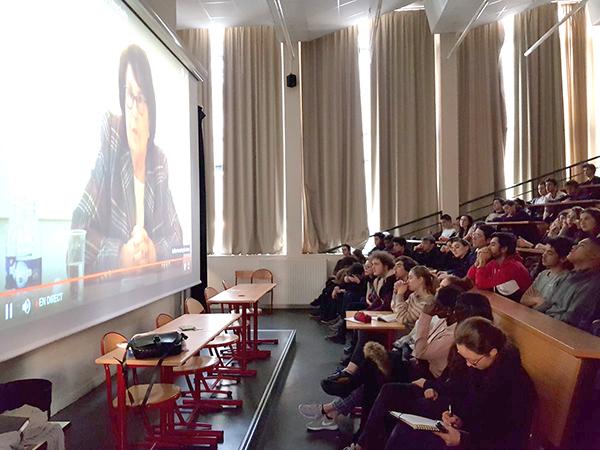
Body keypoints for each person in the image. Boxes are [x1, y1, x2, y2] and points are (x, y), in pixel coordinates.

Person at [72, 44, 183, 274]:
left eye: (140, 97)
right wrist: (121, 255)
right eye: (128, 96)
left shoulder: (158, 164)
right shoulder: (112, 147)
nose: (133, 110)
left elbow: (178, 242)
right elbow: (77, 241)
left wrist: (152, 251)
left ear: (151, 113)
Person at [347, 316, 535, 450]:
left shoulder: (517, 386)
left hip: (479, 443)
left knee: (415, 437)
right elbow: (471, 406)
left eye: (473, 361)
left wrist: (462, 439)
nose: (468, 366)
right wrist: (456, 418)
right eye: (464, 359)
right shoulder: (479, 368)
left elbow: (509, 441)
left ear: (493, 353)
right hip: (468, 434)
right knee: (404, 429)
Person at [322, 266, 436, 395]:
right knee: (364, 332)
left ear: (420, 280)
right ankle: (350, 372)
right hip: (401, 329)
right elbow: (395, 308)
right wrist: (396, 292)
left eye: (410, 278)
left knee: (367, 335)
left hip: (406, 333)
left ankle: (350, 374)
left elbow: (404, 317)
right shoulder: (415, 296)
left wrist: (399, 295)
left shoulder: (427, 302)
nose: (408, 281)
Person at [536, 236, 600, 332]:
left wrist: (541, 322)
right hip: (545, 324)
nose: (573, 247)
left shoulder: (593, 285)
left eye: (581, 245)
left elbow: (571, 319)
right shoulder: (567, 276)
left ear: (595, 255)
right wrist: (533, 316)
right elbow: (548, 303)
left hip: (560, 333)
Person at [467, 232, 532, 300]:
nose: (488, 248)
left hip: (521, 306)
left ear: (504, 249)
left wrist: (482, 262)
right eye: (489, 244)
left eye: (493, 245)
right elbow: (470, 277)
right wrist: (478, 260)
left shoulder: (513, 266)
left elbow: (481, 284)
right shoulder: (494, 262)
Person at [521, 237, 572, 308]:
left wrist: (532, 299)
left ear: (563, 258)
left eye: (550, 253)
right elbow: (524, 299)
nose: (543, 255)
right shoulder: (543, 274)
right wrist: (537, 300)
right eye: (544, 251)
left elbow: (547, 305)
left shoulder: (565, 279)